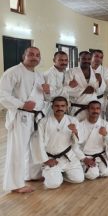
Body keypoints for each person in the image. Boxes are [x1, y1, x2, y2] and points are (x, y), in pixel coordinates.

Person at [0, 46, 47, 193]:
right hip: (20, 115)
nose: (34, 57)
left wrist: (47, 92)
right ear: (24, 56)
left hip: (36, 116)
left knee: (33, 147)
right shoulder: (13, 72)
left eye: (37, 55)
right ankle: (15, 184)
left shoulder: (39, 75)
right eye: (31, 54)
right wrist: (21, 104)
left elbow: (41, 97)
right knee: (17, 150)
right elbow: (2, 95)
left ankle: (31, 174)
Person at [34, 96, 84, 189]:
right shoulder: (43, 122)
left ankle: (61, 174)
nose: (60, 108)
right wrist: (46, 160)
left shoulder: (73, 120)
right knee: (53, 184)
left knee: (79, 179)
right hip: (51, 158)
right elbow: (38, 142)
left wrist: (75, 132)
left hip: (68, 157)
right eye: (57, 106)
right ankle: (51, 173)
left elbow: (77, 142)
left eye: (62, 106)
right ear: (52, 107)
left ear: (66, 107)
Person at [78, 101, 108, 180]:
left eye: (97, 108)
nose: (95, 111)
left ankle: (97, 168)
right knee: (92, 175)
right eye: (92, 108)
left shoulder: (106, 124)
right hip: (87, 156)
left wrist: (106, 135)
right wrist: (84, 159)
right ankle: (89, 169)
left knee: (107, 172)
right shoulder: (80, 125)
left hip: (101, 155)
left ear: (100, 110)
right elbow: (76, 145)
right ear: (88, 110)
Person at [66, 51, 105, 121]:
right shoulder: (71, 72)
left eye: (88, 59)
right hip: (77, 108)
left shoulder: (95, 73)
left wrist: (100, 81)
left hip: (92, 109)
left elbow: (101, 91)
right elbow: (66, 90)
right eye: (83, 59)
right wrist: (84, 90)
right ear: (79, 59)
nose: (86, 61)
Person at [90, 49, 107, 117]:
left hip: (99, 99)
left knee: (98, 120)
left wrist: (100, 81)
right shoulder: (85, 69)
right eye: (96, 56)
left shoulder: (105, 70)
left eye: (101, 57)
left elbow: (106, 87)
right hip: (86, 100)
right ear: (91, 57)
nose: (98, 59)